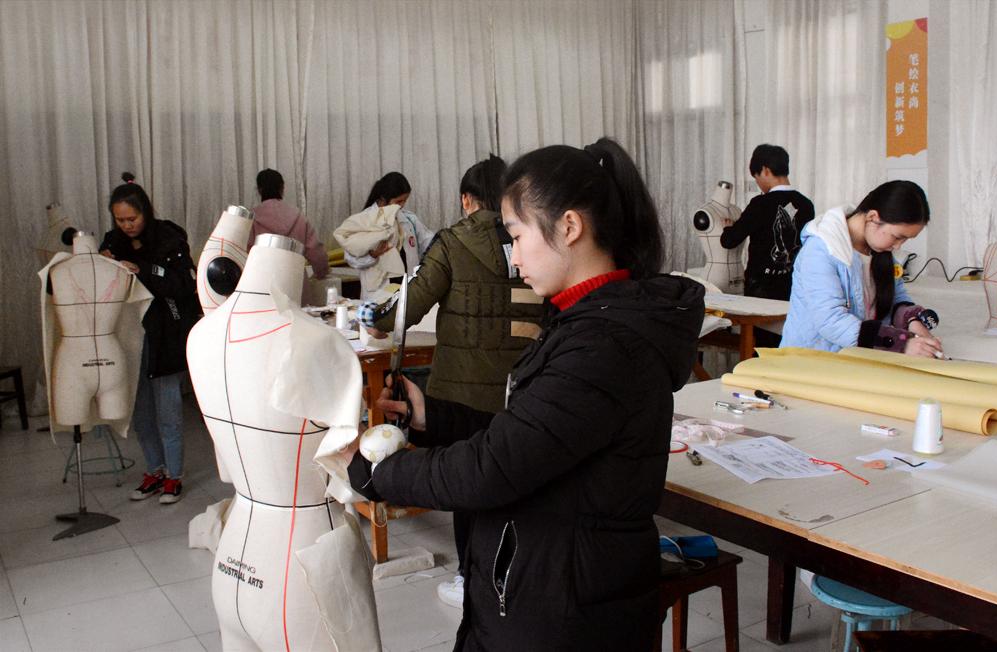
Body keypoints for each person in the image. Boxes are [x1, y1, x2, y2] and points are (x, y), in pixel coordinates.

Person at [344, 138, 705, 649]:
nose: (513, 258)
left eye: (516, 235)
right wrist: (436, 418)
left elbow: (492, 469)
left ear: (569, 227)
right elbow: (534, 439)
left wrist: (383, 474)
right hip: (549, 583)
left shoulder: (604, 345)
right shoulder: (582, 321)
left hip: (570, 611)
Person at [361, 154, 547, 609]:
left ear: (467, 199)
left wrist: (374, 318)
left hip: (458, 397)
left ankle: (469, 577)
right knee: (517, 483)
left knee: (469, 485)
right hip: (523, 393)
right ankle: (514, 575)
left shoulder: (453, 242)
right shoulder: (531, 241)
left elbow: (408, 307)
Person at [100, 172, 201, 503]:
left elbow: (183, 286)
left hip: (165, 335)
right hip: (128, 337)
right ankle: (154, 470)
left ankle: (174, 475)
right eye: (120, 220)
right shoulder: (112, 243)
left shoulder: (169, 239)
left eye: (132, 218)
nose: (127, 225)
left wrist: (141, 268)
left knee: (168, 411)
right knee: (140, 412)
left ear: (145, 212)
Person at [781, 180, 941, 356]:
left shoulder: (879, 250)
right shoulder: (820, 250)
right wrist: (901, 343)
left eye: (905, 240)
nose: (898, 246)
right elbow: (830, 320)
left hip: (857, 358)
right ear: (873, 217)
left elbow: (895, 298)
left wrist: (912, 321)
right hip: (810, 361)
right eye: (897, 237)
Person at [721, 144, 814, 347]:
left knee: (760, 347)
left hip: (760, 293)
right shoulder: (806, 205)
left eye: (757, 178)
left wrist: (728, 228)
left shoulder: (760, 204)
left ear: (765, 170)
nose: (759, 184)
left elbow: (729, 241)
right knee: (787, 343)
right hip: (792, 289)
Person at [343, 171, 435, 276]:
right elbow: (351, 259)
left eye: (405, 201)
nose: (402, 205)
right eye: (398, 201)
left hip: (409, 284)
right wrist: (372, 255)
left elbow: (429, 243)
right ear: (383, 200)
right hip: (380, 285)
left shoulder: (410, 220)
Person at [248, 168, 329, 280]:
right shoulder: (298, 217)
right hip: (295, 282)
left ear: (259, 190)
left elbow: (242, 256)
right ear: (282, 188)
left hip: (262, 282)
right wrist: (321, 273)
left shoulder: (251, 220)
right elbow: (317, 254)